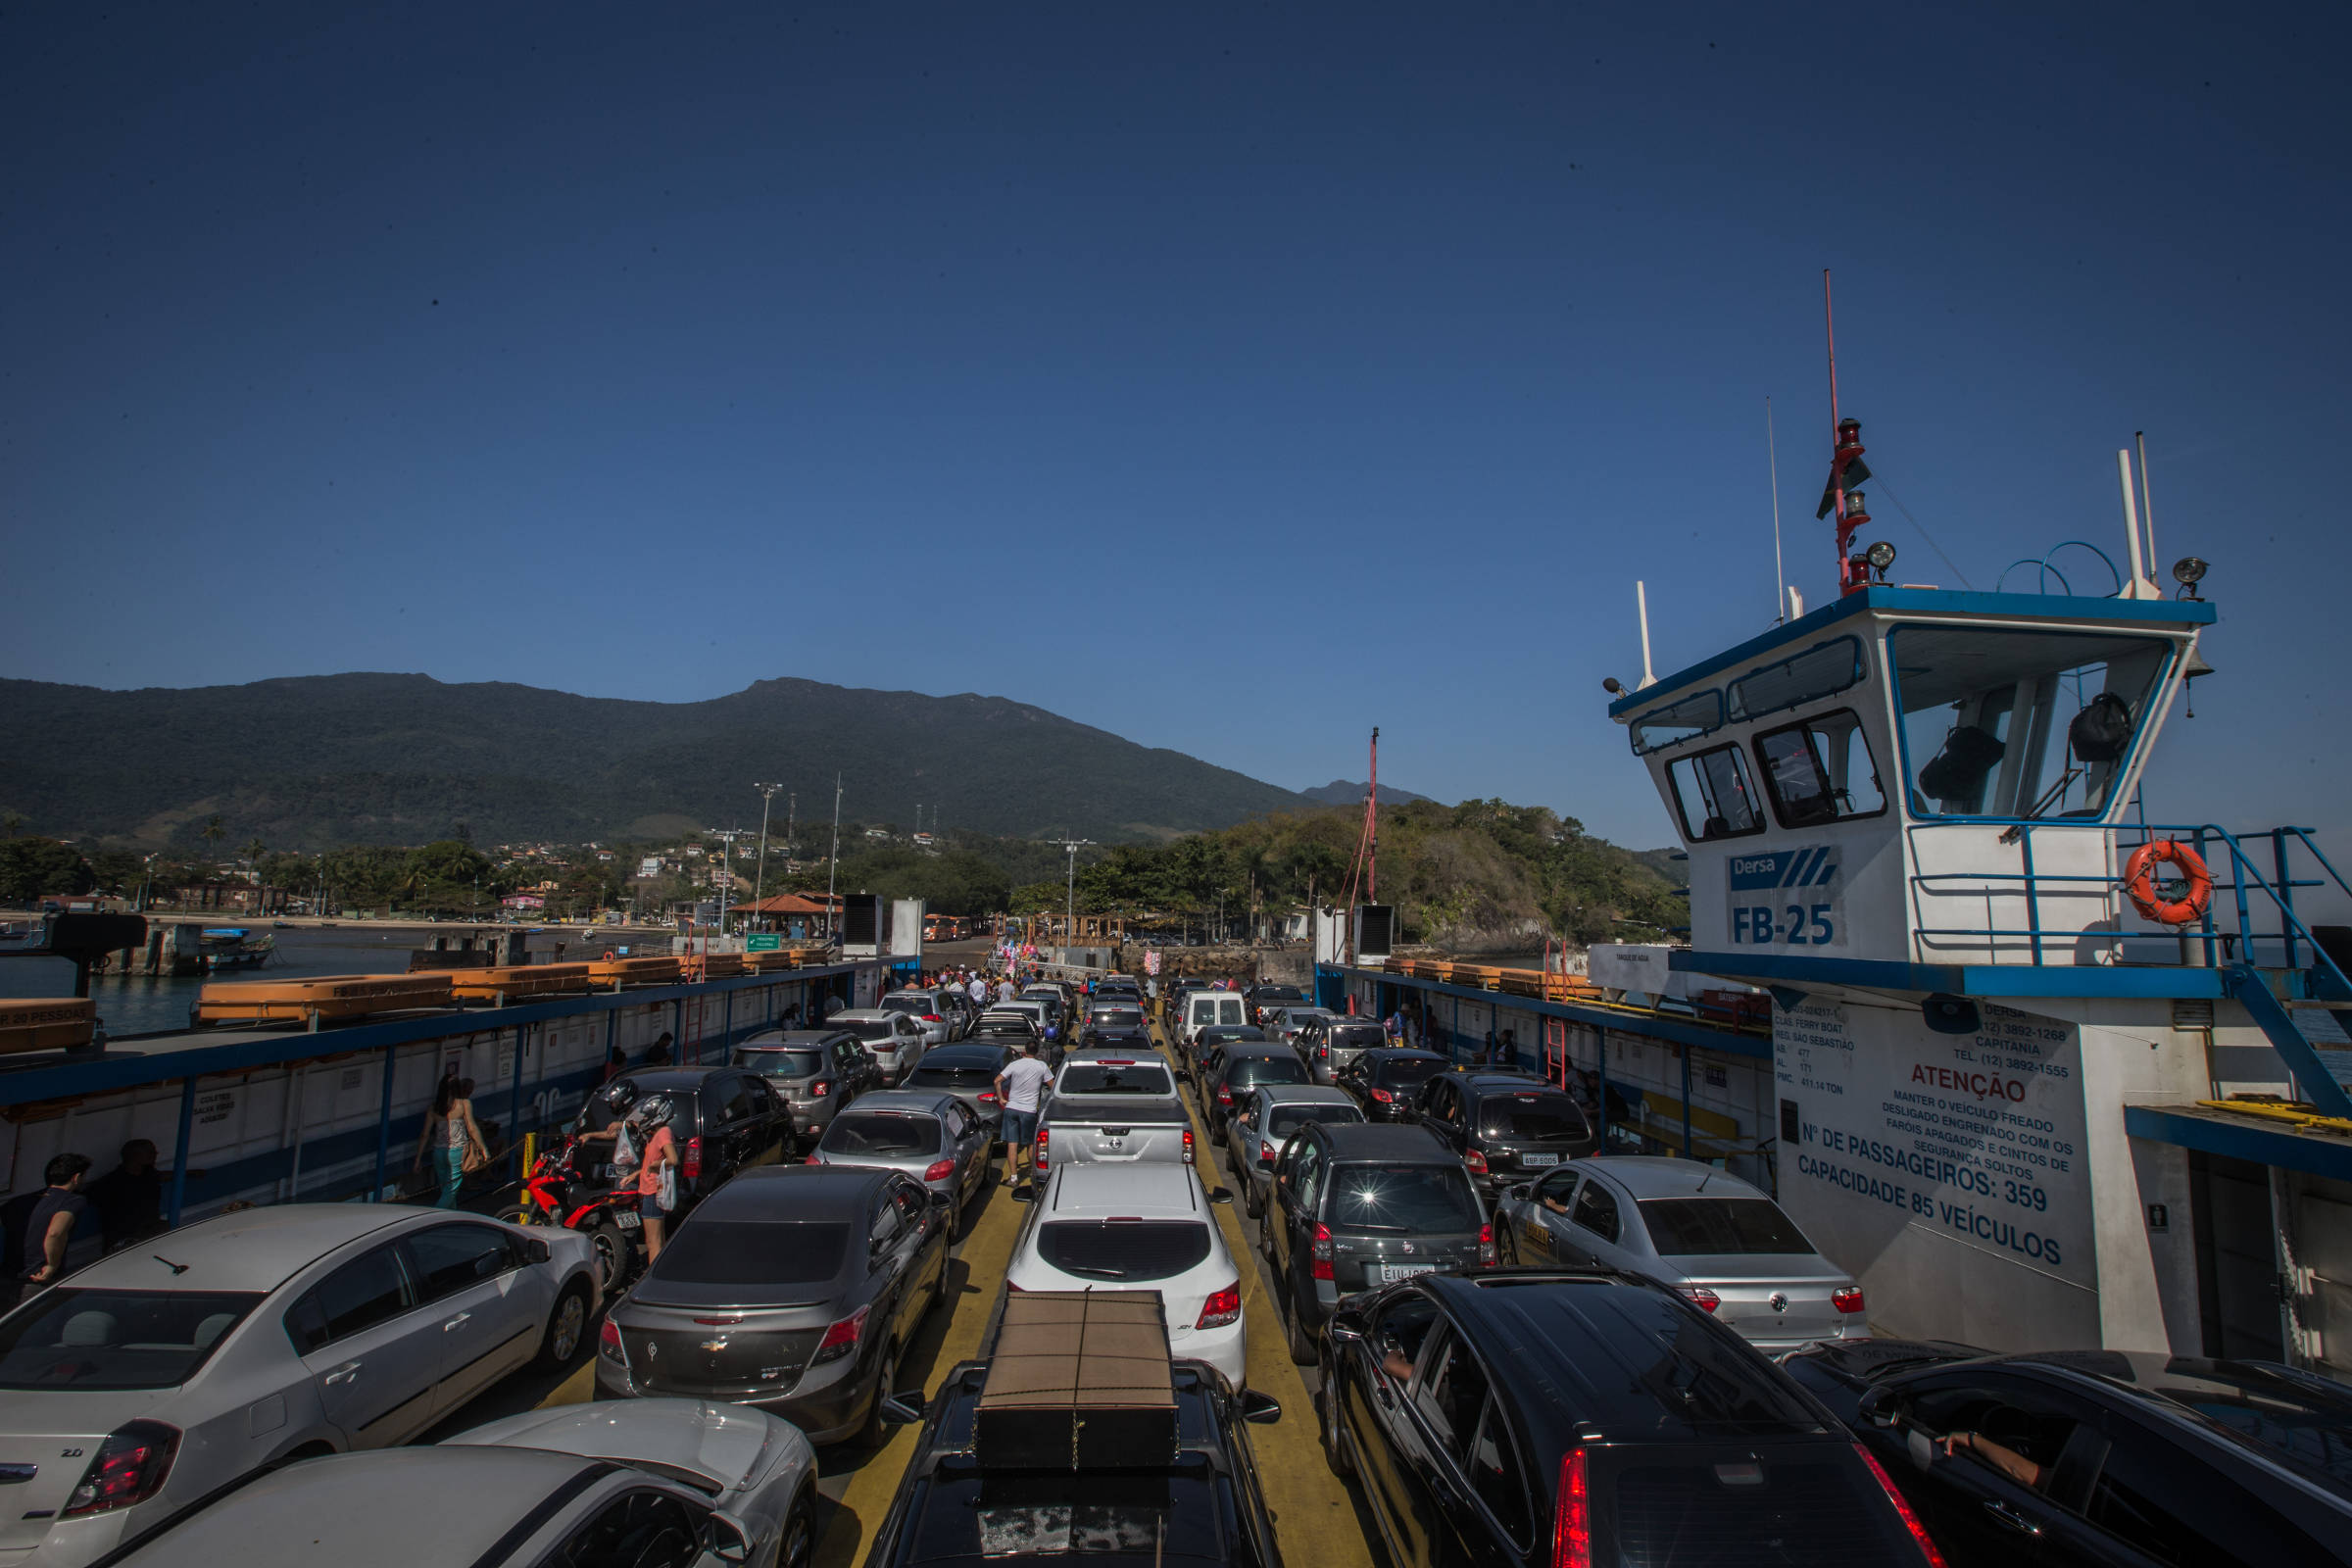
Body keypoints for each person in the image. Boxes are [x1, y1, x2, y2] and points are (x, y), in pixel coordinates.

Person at [23, 1152, 99, 1294]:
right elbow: (55, 1232)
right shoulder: (72, 1201)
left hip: (18, 1273)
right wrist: (52, 1265)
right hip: (41, 1276)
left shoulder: (33, 1200)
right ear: (76, 1178)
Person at [413, 1076, 488, 1208]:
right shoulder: (464, 1104)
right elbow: (472, 1128)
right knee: (450, 1192)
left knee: (446, 1192)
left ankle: (452, 1218)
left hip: (438, 1153)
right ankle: (431, 1218)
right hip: (457, 1152)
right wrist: (484, 1149)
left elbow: (425, 1134)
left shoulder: (433, 1108)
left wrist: (418, 1159)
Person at [85, 1139, 166, 1251]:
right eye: (150, 1151)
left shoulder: (149, 1175)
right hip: (123, 1241)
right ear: (134, 1155)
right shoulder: (109, 1183)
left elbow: (164, 1176)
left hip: (150, 1235)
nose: (155, 1154)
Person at [994, 1040, 1055, 1187]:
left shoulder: (1015, 1064)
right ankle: (1034, 1172)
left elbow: (997, 1080)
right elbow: (1052, 1086)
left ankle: (1014, 1178)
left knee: (1012, 1144)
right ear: (1037, 1052)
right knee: (1030, 1144)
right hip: (1029, 1111)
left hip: (1012, 1108)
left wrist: (1001, 1098)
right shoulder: (1042, 1066)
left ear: (1025, 1051)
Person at [631, 1097, 680, 1262]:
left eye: (647, 1116)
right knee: (657, 1240)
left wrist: (654, 1166)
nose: (645, 1119)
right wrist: (637, 1174)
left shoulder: (663, 1133)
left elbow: (673, 1159)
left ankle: (651, 1279)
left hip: (653, 1192)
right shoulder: (657, 1133)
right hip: (649, 1191)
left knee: (653, 1242)